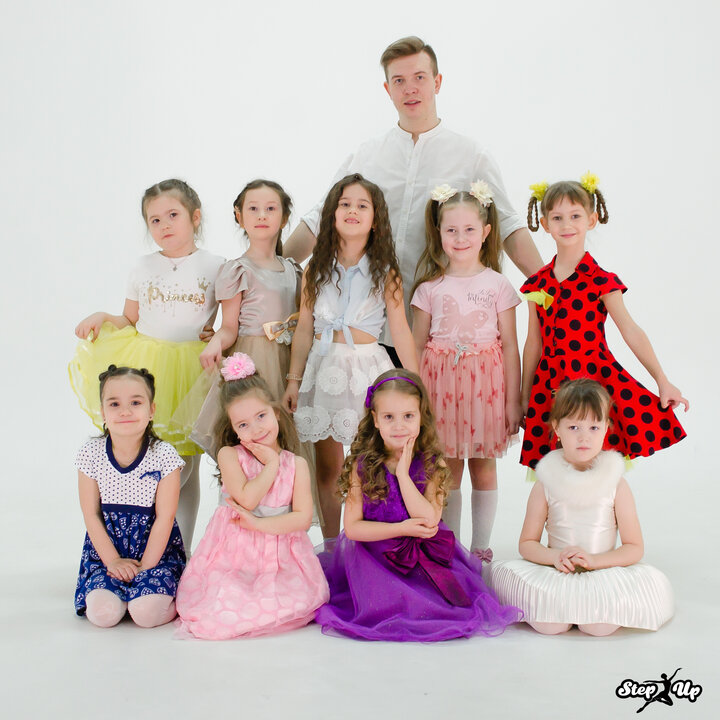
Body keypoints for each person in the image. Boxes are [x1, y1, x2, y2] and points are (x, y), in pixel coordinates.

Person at [283, 36, 543, 340]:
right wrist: (271, 270)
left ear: (437, 82)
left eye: (419, 77)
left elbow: (508, 226)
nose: (410, 89)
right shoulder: (367, 155)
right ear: (388, 89)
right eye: (399, 81)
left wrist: (555, 290)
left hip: (440, 328)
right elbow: (320, 219)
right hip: (366, 328)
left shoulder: (471, 156)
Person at [69, 179, 224, 550]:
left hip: (192, 369)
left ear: (195, 217)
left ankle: (179, 548)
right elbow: (129, 319)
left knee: (185, 463)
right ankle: (144, 540)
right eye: (154, 220)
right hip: (150, 368)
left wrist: (217, 336)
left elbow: (228, 319)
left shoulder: (217, 266)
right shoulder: (143, 267)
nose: (164, 225)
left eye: (173, 215)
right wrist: (103, 316)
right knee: (154, 458)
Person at [315, 370, 520, 641]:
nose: (399, 426)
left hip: (423, 554)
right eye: (389, 417)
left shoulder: (433, 463)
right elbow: (353, 528)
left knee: (441, 604)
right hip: (375, 557)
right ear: (375, 419)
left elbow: (429, 520)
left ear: (421, 417)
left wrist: (403, 474)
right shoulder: (361, 465)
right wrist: (401, 528)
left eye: (408, 416)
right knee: (385, 605)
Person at [520, 174, 688, 470]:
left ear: (592, 219)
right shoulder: (537, 283)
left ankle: (606, 501)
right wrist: (523, 397)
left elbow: (630, 330)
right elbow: (533, 342)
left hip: (593, 378)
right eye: (557, 218)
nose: (566, 224)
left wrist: (662, 380)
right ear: (545, 224)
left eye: (575, 216)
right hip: (549, 384)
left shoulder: (601, 281)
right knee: (555, 464)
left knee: (596, 457)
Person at [282, 173, 418, 540]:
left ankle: (367, 539)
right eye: (345, 204)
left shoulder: (385, 273)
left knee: (368, 462)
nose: (352, 211)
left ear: (375, 220)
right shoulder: (315, 269)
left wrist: (415, 382)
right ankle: (330, 545)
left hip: (367, 371)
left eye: (362, 205)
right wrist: (294, 380)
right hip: (324, 368)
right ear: (332, 214)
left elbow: (401, 331)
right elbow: (305, 329)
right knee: (328, 465)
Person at [489, 379, 674, 635]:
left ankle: (584, 610)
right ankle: (563, 610)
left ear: (606, 428)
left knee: (599, 626)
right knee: (549, 625)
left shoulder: (616, 484)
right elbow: (527, 543)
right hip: (557, 572)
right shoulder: (545, 483)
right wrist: (555, 557)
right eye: (574, 427)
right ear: (557, 428)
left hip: (602, 570)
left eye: (594, 427)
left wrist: (595, 561)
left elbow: (634, 547)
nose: (584, 437)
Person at [175, 353, 329, 640]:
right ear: (233, 430)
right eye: (243, 425)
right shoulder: (229, 455)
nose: (256, 429)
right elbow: (247, 500)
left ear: (276, 413)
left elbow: (302, 519)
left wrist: (258, 524)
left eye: (261, 416)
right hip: (235, 553)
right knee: (226, 597)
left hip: (280, 553)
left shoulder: (296, 464)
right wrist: (270, 466)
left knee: (297, 597)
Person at [411, 181, 520, 558]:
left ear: (486, 232)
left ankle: (480, 550)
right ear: (438, 232)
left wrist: (513, 401)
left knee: (484, 467)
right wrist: (416, 401)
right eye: (451, 230)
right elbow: (416, 346)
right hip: (440, 388)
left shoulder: (498, 285)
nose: (460, 238)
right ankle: (453, 551)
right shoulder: (429, 288)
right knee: (448, 469)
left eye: (469, 229)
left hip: (485, 388)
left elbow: (511, 346)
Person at [186, 179, 302, 458]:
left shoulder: (294, 270)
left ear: (284, 218)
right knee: (252, 434)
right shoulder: (238, 270)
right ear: (239, 217)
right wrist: (216, 342)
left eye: (270, 208)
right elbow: (229, 327)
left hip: (289, 361)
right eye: (253, 209)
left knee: (287, 438)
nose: (262, 215)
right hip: (254, 361)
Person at [75, 366, 186, 628]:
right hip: (106, 554)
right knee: (102, 615)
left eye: (135, 403)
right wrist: (113, 561)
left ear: (151, 410)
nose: (125, 411)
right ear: (103, 412)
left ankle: (162, 598)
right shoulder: (91, 454)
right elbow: (91, 515)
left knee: (146, 615)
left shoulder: (164, 456)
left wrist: (145, 567)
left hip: (156, 554)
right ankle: (121, 595)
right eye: (114, 404)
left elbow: (165, 518)